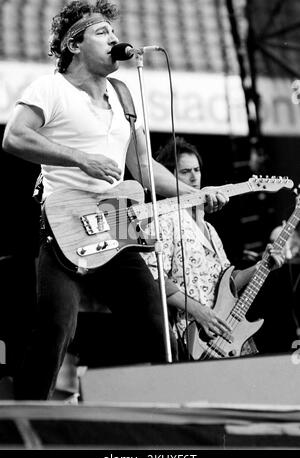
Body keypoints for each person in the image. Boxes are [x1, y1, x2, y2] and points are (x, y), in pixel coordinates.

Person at [2, 1, 227, 400]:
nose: (114, 38)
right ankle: (25, 422)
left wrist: (195, 193)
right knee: (56, 327)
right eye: (101, 32)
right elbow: (15, 137)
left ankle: (172, 420)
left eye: (112, 30)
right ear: (74, 44)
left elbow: (142, 166)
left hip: (116, 224)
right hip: (64, 224)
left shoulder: (123, 94)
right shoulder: (50, 88)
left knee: (156, 327)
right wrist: (80, 159)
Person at [142, 137, 286, 359]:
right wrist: (199, 312)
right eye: (185, 171)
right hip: (190, 336)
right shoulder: (164, 220)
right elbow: (152, 277)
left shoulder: (210, 228)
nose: (193, 177)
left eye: (197, 170)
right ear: (168, 178)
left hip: (223, 332)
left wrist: (261, 266)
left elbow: (226, 282)